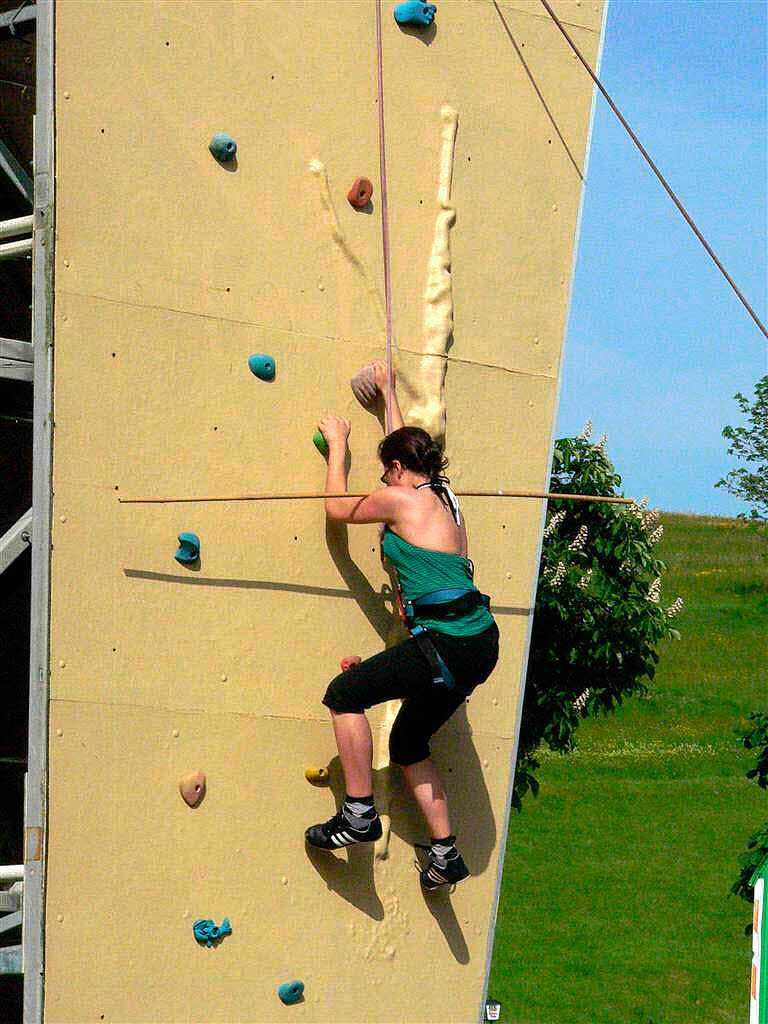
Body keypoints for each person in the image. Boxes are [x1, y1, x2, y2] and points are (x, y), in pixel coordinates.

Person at [305, 360, 499, 890]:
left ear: (394, 469)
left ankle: (358, 816)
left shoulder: (401, 497)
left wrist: (338, 443)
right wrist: (387, 395)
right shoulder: (444, 496)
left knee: (344, 694)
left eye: (385, 468)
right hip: (476, 643)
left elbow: (340, 509)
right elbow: (402, 447)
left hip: (444, 641)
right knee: (410, 740)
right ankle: (444, 853)